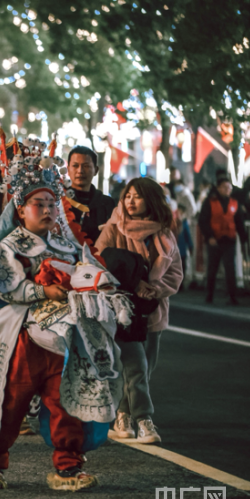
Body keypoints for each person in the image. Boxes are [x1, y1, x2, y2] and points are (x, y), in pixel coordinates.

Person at [0, 138, 126, 491]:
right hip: (22, 336)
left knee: (65, 400)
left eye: (52, 203)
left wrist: (100, 288)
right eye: (38, 204)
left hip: (63, 338)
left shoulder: (68, 245)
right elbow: (4, 286)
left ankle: (67, 467)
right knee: (10, 401)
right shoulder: (12, 245)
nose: (47, 209)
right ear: (20, 210)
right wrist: (43, 291)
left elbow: (91, 271)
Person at [96, 177, 183, 444]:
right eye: (127, 196)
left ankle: (122, 413)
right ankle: (139, 419)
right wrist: (133, 283)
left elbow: (176, 273)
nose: (130, 201)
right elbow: (97, 262)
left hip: (152, 311)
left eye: (137, 196)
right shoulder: (113, 228)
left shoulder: (164, 234)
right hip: (120, 310)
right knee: (132, 367)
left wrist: (155, 289)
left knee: (145, 368)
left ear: (151, 200)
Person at [198, 175, 248, 305]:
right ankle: (209, 295)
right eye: (225, 187)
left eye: (229, 187)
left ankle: (232, 296)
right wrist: (209, 237)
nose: (228, 190)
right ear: (219, 188)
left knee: (230, 269)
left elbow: (239, 223)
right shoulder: (210, 202)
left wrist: (244, 239)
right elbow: (203, 221)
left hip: (229, 240)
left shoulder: (234, 203)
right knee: (212, 269)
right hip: (214, 240)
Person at [65, 146, 116, 243]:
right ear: (68, 169)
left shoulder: (107, 203)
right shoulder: (59, 201)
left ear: (96, 170)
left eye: (86, 166)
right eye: (75, 166)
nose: (80, 171)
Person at [175, 205, 193, 290]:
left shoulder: (184, 222)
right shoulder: (172, 221)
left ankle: (180, 285)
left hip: (180, 249)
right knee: (177, 267)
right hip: (174, 249)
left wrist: (190, 245)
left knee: (181, 267)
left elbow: (187, 235)